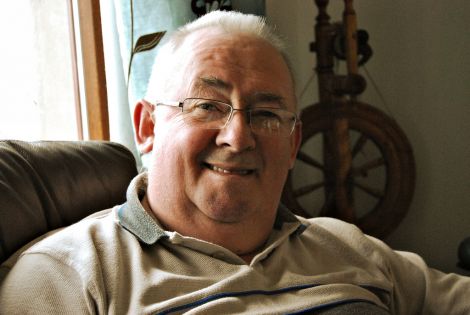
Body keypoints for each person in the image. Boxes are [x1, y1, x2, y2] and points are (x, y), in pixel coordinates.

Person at [0, 10, 469, 315]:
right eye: (206, 105)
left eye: (266, 114)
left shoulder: (347, 245)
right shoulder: (68, 276)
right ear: (147, 126)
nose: (237, 136)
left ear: (292, 143)